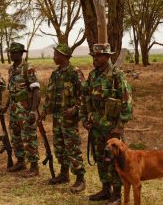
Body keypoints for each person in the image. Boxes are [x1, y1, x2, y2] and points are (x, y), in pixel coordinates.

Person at [80, 43, 133, 205]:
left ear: (108, 57)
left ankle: (117, 194)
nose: (95, 59)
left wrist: (120, 126)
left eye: (99, 56)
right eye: (94, 56)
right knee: (100, 159)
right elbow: (85, 98)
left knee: (115, 161)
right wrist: (84, 118)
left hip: (112, 128)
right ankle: (105, 189)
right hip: (96, 127)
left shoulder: (117, 76)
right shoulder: (93, 76)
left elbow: (127, 102)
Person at [39, 43, 86, 193]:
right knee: (59, 147)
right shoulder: (56, 74)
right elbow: (50, 96)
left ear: (64, 56)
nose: (54, 57)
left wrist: (76, 109)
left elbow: (85, 94)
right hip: (57, 118)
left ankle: (80, 179)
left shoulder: (75, 73)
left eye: (56, 54)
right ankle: (64, 174)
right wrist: (44, 112)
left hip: (69, 119)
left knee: (72, 148)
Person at [0, 42, 40, 177]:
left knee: (29, 137)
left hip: (25, 110)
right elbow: (12, 91)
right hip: (13, 110)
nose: (11, 55)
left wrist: (34, 110)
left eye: (14, 53)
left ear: (20, 53)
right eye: (10, 52)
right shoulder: (11, 69)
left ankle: (34, 166)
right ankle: (21, 161)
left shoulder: (28, 68)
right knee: (15, 136)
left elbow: (36, 91)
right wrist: (5, 106)